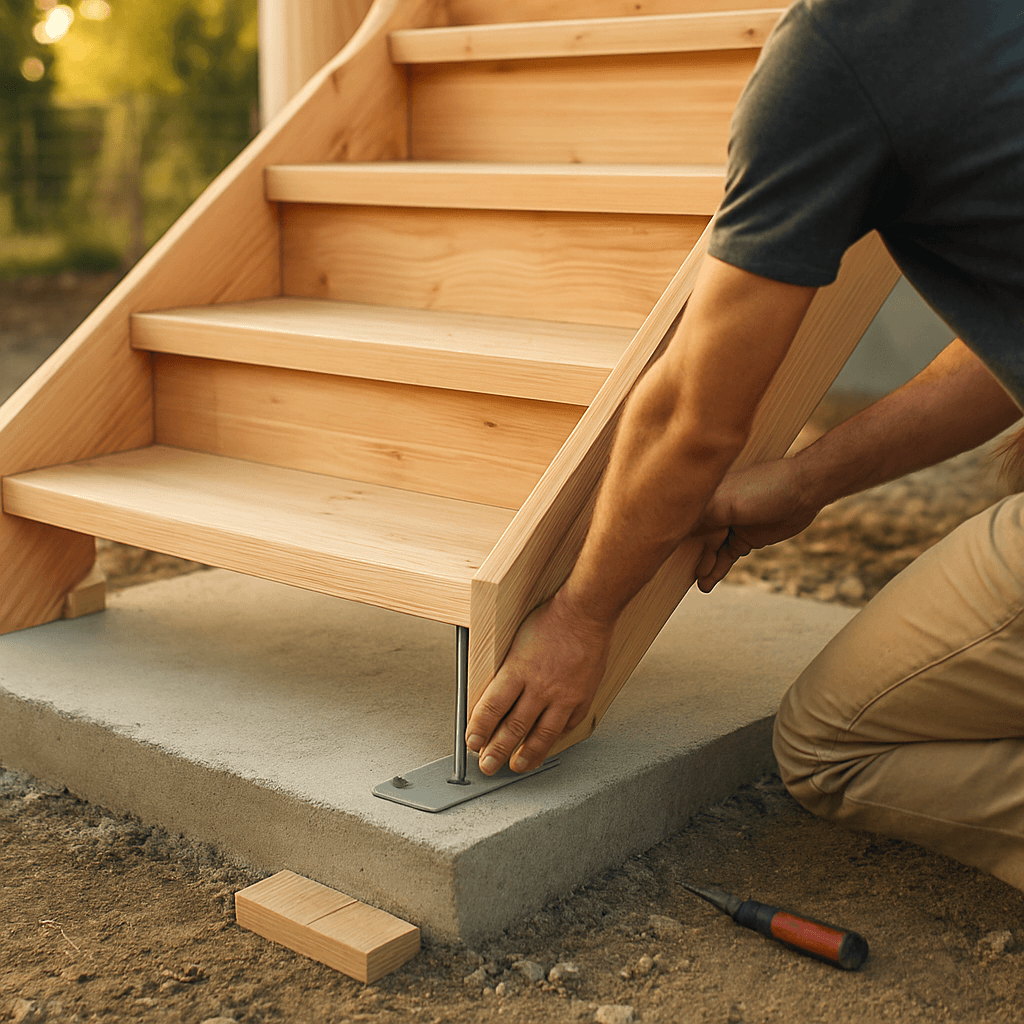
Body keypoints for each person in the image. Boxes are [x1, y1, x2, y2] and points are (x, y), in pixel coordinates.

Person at [465, 0, 1024, 890]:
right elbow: (1004, 350)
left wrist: (581, 616)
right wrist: (807, 480)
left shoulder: (841, 52)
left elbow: (695, 415)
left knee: (826, 743)